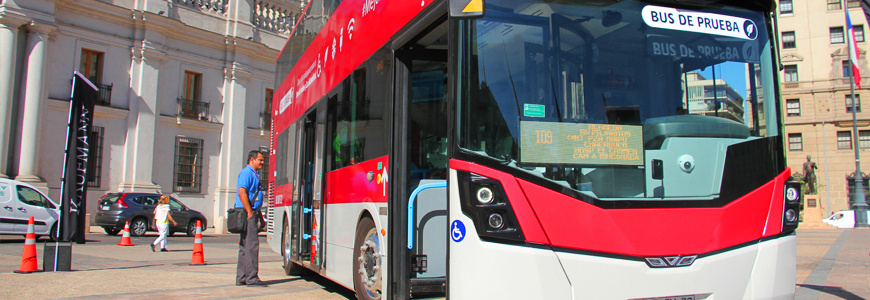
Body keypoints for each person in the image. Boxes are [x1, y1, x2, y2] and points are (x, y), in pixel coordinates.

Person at [236, 150, 267, 287]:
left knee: (245, 246)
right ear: (251, 160)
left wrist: (259, 215)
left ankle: (242, 277)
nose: (262, 162)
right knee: (252, 246)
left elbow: (253, 195)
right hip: (247, 213)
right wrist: (249, 211)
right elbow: (241, 191)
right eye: (260, 159)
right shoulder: (247, 173)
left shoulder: (253, 174)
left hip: (251, 212)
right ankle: (251, 278)